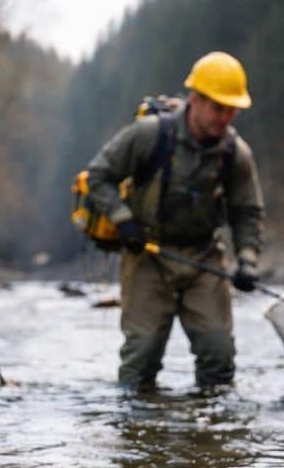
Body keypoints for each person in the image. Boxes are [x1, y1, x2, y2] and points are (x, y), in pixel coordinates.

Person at [83, 52, 265, 393]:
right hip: (147, 256)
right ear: (195, 100)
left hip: (204, 259)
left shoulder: (236, 154)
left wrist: (248, 262)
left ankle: (212, 435)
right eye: (218, 108)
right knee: (142, 358)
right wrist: (123, 221)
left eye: (232, 110)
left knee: (219, 356)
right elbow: (99, 175)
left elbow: (247, 212)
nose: (225, 118)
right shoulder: (149, 135)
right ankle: (139, 433)